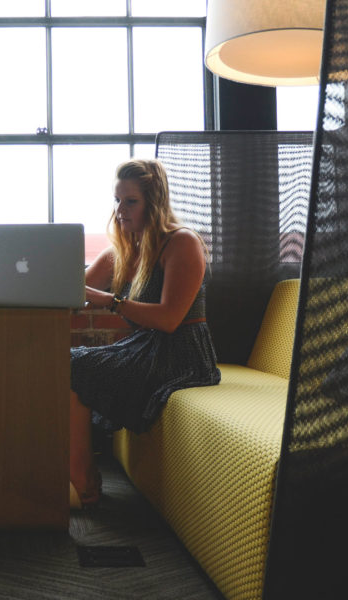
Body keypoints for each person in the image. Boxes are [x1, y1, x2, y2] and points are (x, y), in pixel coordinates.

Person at [69, 158, 221, 508]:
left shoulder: (181, 242)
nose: (120, 210)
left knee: (74, 366)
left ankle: (82, 478)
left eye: (130, 201)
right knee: (66, 363)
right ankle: (81, 471)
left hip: (182, 353)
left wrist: (111, 301)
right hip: (144, 347)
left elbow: (169, 319)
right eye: (117, 200)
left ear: (154, 203)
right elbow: (73, 292)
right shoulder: (122, 250)